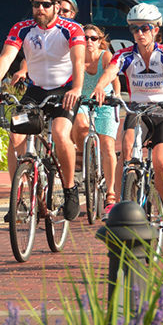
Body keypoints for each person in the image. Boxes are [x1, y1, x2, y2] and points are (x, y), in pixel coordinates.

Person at [0, 0, 85, 222]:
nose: (40, 8)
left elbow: (78, 61)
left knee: (61, 134)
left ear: (57, 6)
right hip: (36, 90)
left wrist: (77, 88)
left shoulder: (71, 29)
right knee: (16, 135)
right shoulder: (22, 29)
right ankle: (17, 196)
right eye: (36, 4)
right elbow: (7, 58)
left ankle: (70, 190)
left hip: (64, 91)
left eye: (46, 4)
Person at [90, 3, 163, 240]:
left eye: (145, 28)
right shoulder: (126, 55)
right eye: (134, 29)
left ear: (156, 29)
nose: (140, 33)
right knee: (128, 150)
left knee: (161, 163)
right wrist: (100, 87)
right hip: (137, 110)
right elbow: (111, 71)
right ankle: (129, 194)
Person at [71, 24, 121, 217]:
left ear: (100, 41)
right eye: (85, 38)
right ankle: (86, 157)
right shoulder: (76, 56)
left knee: (108, 145)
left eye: (93, 38)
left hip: (105, 101)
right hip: (83, 100)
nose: (89, 41)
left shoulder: (105, 56)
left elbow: (114, 77)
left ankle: (110, 193)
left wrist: (115, 95)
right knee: (80, 125)